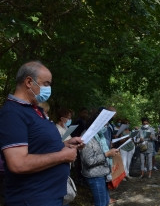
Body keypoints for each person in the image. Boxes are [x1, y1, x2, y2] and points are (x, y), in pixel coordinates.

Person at [0, 61, 83, 206]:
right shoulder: (12, 113)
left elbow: (38, 145)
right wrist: (62, 155)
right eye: (46, 83)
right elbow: (18, 164)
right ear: (28, 81)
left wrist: (65, 144)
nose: (48, 88)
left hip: (51, 196)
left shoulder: (34, 110)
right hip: (33, 199)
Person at [80, 121, 119, 206]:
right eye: (104, 124)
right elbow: (88, 161)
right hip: (95, 176)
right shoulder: (87, 137)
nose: (105, 127)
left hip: (102, 173)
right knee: (101, 203)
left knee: (105, 202)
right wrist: (107, 154)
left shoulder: (98, 135)